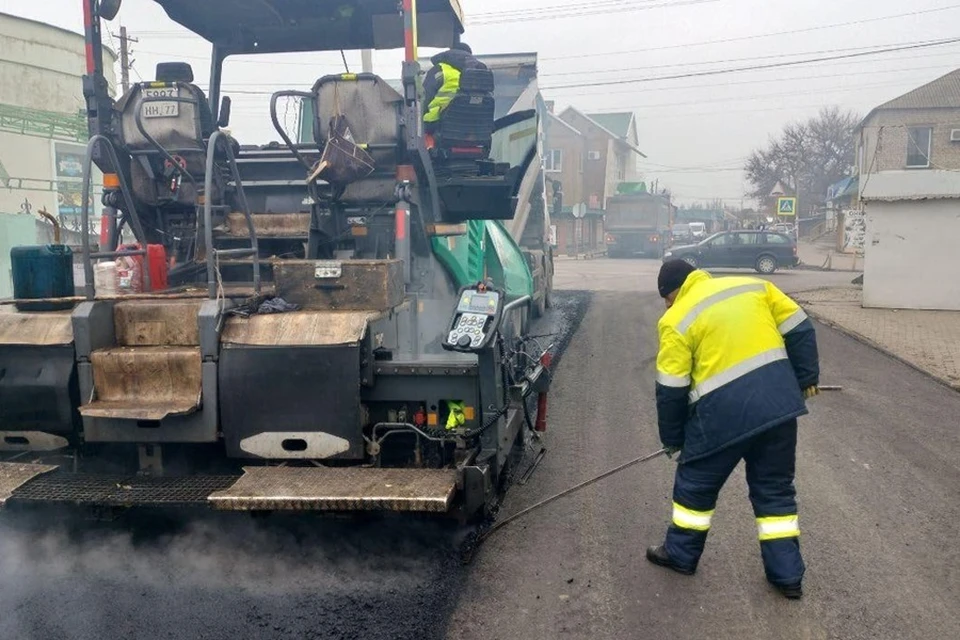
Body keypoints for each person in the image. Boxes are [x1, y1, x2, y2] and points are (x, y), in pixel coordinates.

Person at [647, 259, 820, 599]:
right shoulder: (753, 287)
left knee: (694, 487)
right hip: (777, 409)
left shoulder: (675, 319)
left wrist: (673, 440)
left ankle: (681, 554)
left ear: (673, 293)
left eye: (666, 298)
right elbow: (800, 328)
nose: (667, 305)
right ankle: (787, 577)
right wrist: (805, 379)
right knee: (775, 489)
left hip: (720, 418)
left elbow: (671, 390)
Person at [422, 42, 487, 132]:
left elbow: (425, 97)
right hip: (474, 125)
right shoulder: (481, 72)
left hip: (437, 123)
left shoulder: (440, 70)